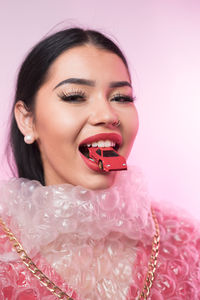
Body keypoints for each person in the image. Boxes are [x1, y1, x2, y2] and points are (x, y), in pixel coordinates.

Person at [0, 27, 199, 300]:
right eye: (74, 96)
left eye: (121, 98)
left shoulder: (184, 240)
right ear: (27, 120)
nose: (107, 114)